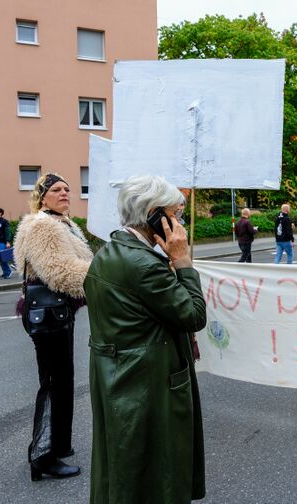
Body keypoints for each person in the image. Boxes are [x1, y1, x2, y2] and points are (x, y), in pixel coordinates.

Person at [85, 175, 206, 503]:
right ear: (155, 214)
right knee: (156, 473)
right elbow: (194, 315)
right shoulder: (144, 264)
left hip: (121, 379)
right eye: (176, 215)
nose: (180, 223)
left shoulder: (110, 251)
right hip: (147, 386)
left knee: (126, 467)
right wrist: (182, 262)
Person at [13, 173, 94, 481]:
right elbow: (61, 273)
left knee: (62, 380)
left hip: (57, 313)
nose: (65, 194)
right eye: (56, 190)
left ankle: (59, 444)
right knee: (53, 382)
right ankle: (43, 456)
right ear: (42, 196)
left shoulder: (62, 224)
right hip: (48, 314)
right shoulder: (42, 226)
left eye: (67, 189)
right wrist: (105, 279)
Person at [0, 207, 14, 279]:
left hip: (3, 242)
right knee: (0, 259)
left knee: (3, 258)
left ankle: (8, 272)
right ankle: (4, 273)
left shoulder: (5, 221)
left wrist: (8, 242)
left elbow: (7, 232)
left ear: (0, 213)